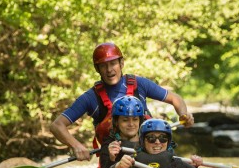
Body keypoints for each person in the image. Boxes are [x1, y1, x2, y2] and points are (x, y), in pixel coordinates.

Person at [50, 42, 195, 161]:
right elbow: (57, 125)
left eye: (113, 63)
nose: (109, 70)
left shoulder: (140, 84)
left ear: (121, 63)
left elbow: (176, 99)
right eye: (103, 65)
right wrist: (76, 146)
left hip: (150, 150)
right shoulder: (90, 98)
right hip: (115, 158)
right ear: (97, 69)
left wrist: (183, 115)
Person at [100, 119, 217, 168]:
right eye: (151, 138)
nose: (157, 142)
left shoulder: (176, 161)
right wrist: (118, 167)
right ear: (142, 141)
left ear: (168, 141)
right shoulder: (133, 161)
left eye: (162, 138)